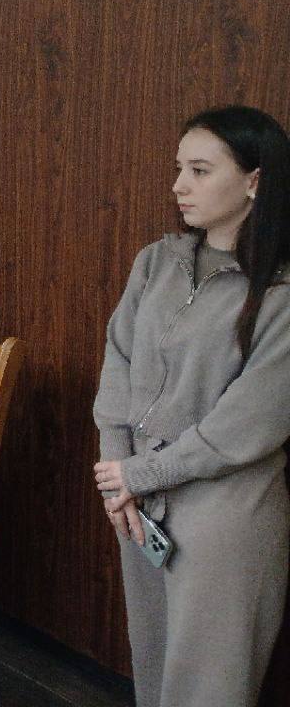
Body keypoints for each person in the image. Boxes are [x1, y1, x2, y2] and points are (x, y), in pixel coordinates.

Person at [92, 105, 290, 707]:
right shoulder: (158, 261)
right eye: (179, 168)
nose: (180, 185)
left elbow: (247, 424)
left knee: (209, 688)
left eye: (200, 171)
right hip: (138, 505)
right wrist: (117, 473)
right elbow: (119, 359)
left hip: (224, 516)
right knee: (153, 669)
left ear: (254, 180)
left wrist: (137, 474)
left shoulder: (279, 292)